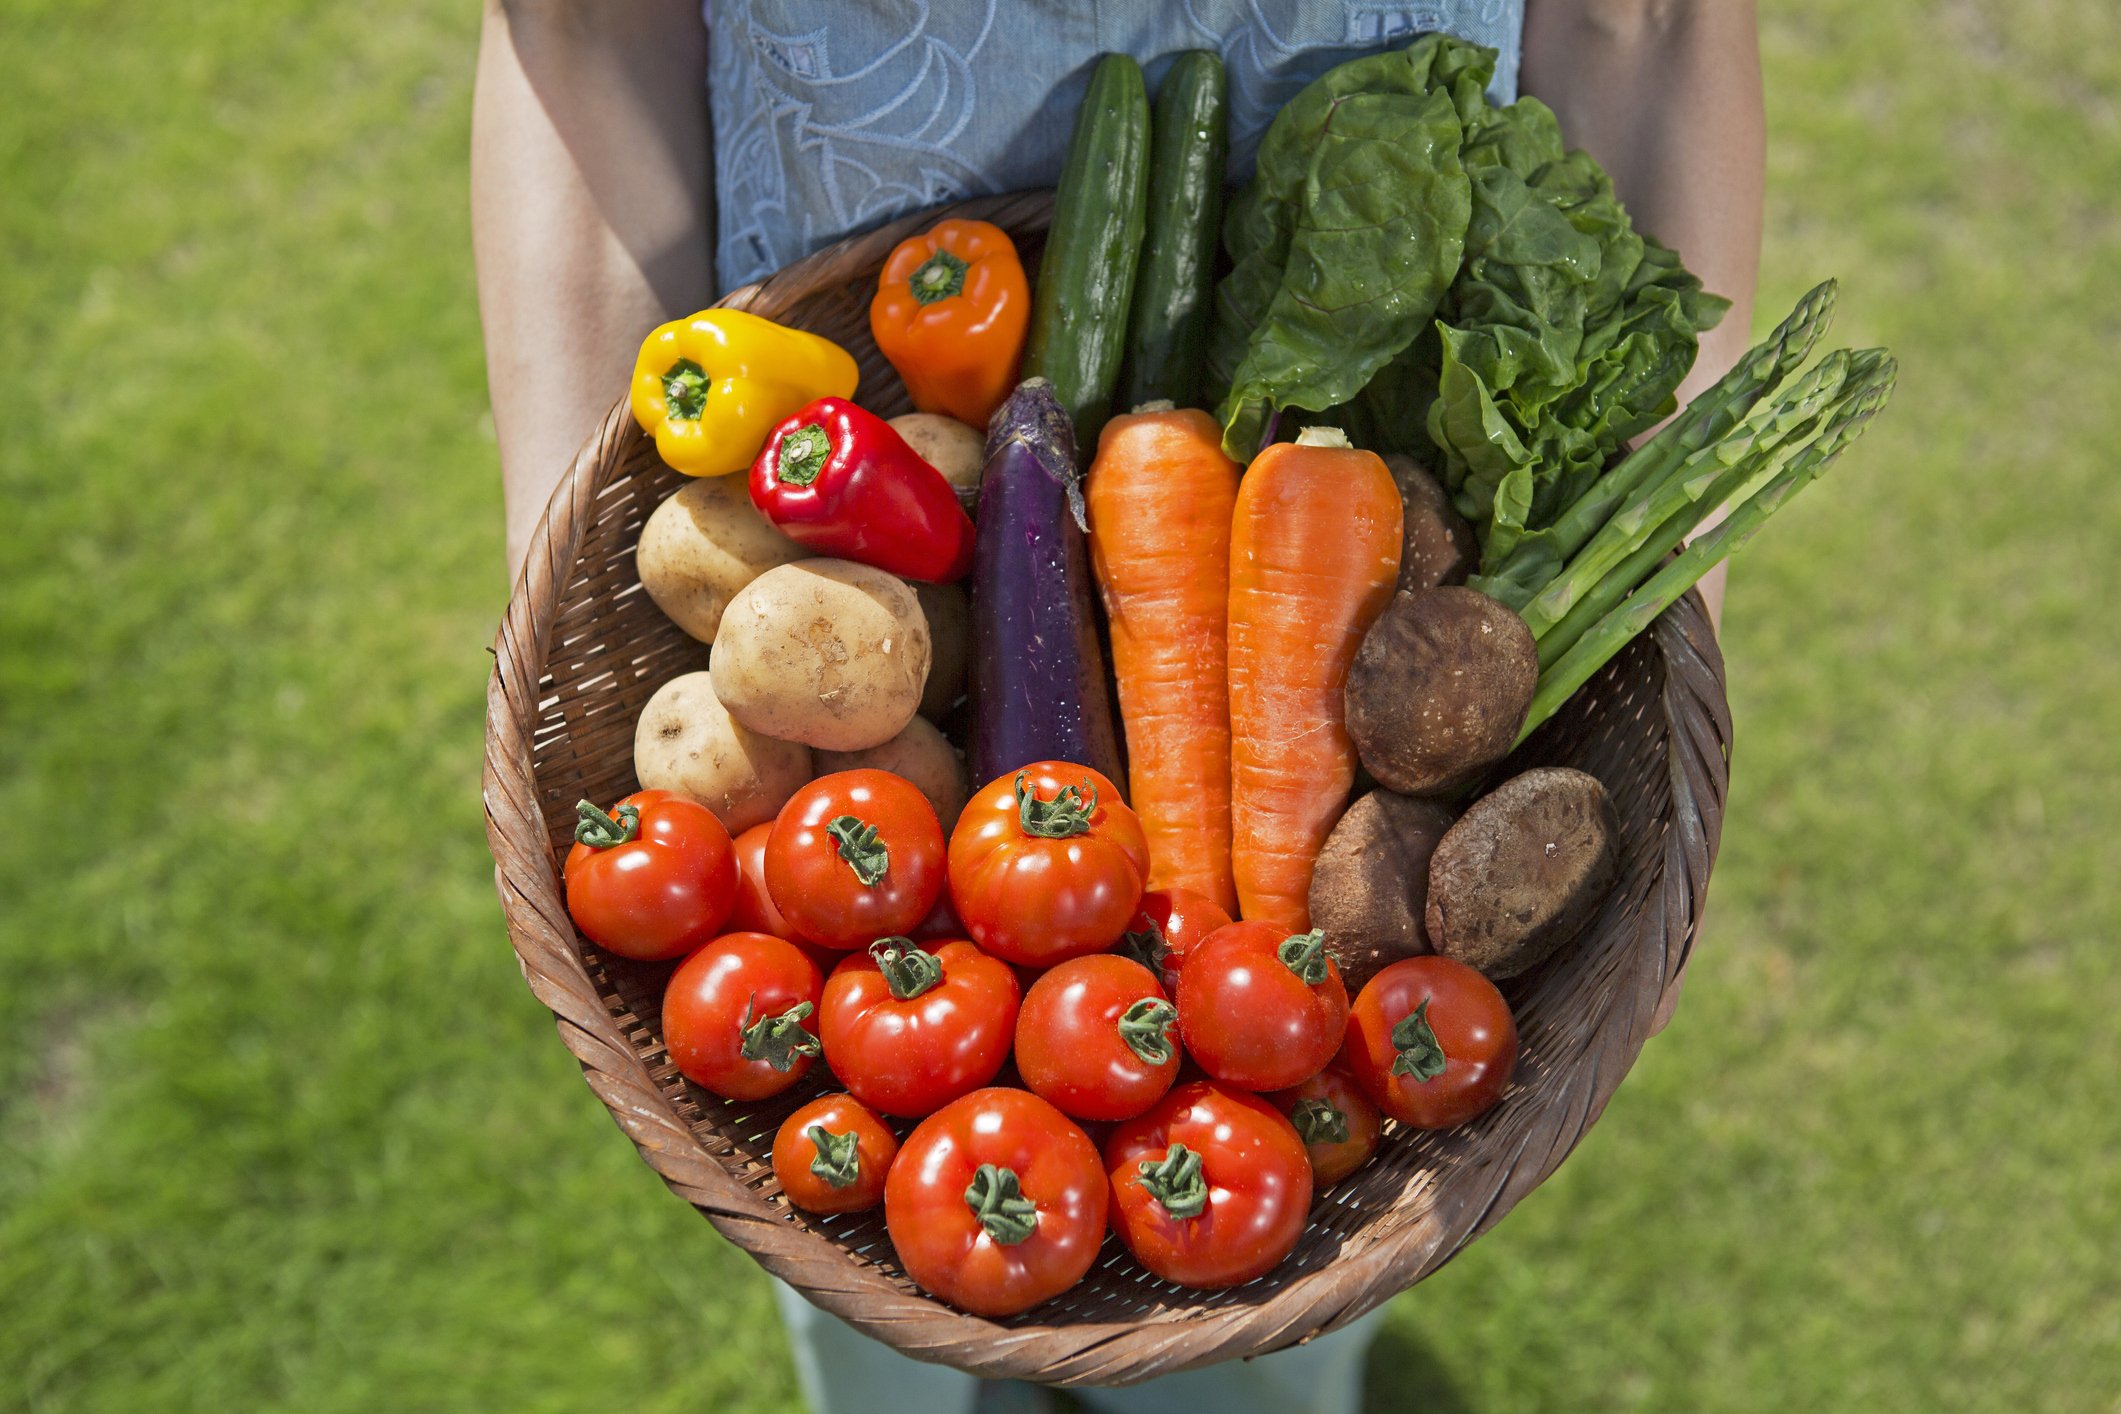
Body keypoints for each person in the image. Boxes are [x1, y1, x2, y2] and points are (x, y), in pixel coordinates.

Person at [472, 4, 1761, 1411]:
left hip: (1359, 294)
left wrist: (1664, 606)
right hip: (829, 348)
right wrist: (578, 560)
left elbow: (1644, 25)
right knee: (869, 1312)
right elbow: (583, 24)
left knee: (1260, 1352)